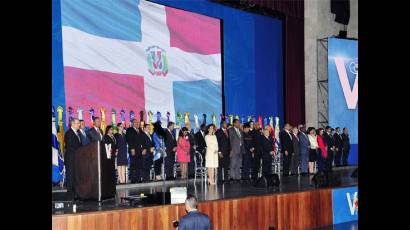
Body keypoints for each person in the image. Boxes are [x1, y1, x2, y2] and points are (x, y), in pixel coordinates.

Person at [64, 118, 82, 196]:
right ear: (72, 124)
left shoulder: (77, 133)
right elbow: (71, 147)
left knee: (75, 178)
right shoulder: (69, 133)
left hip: (76, 159)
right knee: (71, 178)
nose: (79, 124)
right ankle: (70, 196)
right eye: (78, 123)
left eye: (79, 123)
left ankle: (75, 195)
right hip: (71, 159)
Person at [126, 119, 142, 183]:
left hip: (139, 150)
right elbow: (129, 139)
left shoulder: (139, 130)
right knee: (133, 165)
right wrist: (132, 148)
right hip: (133, 150)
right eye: (135, 122)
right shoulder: (129, 130)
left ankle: (138, 179)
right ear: (132, 123)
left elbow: (142, 139)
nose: (136, 123)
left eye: (137, 122)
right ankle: (133, 179)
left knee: (138, 165)